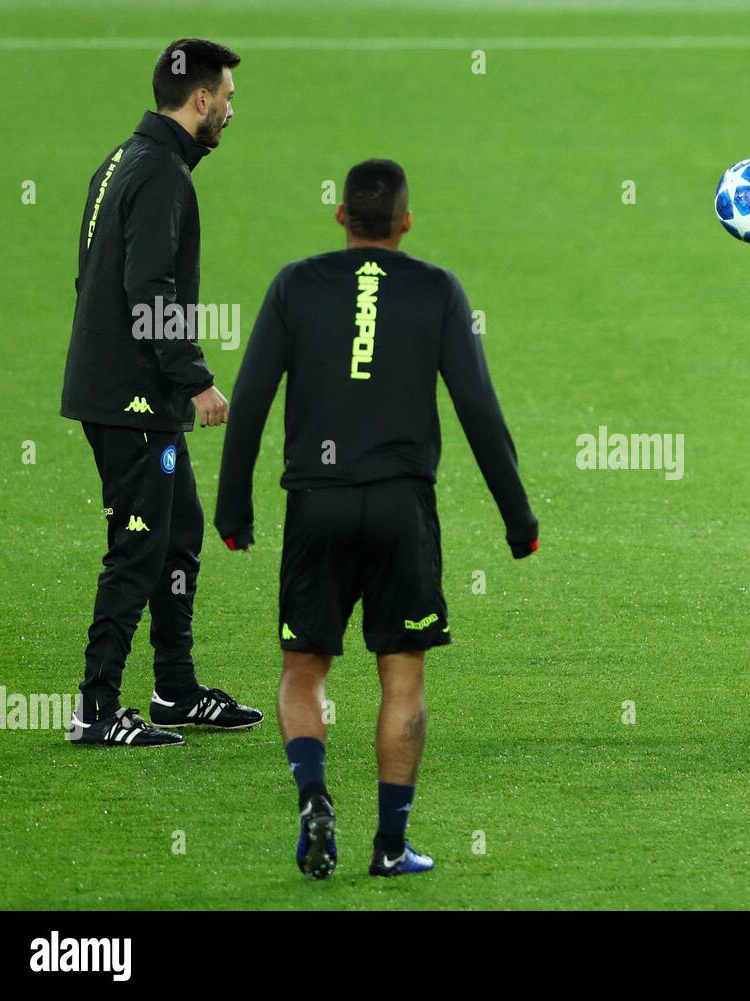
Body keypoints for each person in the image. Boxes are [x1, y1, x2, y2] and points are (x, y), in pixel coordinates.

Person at [214, 159, 539, 878]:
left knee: (303, 671)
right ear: (406, 220)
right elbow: (478, 408)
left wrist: (232, 507)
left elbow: (253, 396)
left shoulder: (296, 285)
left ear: (340, 217)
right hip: (401, 508)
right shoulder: (437, 290)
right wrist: (519, 519)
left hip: (316, 504)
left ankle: (312, 795)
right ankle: (390, 844)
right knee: (403, 679)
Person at [62, 38, 262, 746]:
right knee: (139, 543)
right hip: (132, 402)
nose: (232, 111)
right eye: (228, 99)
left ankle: (174, 689)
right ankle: (95, 707)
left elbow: (91, 277)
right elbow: (149, 289)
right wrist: (195, 378)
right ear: (200, 99)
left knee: (176, 533)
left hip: (129, 395)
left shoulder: (123, 160)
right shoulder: (163, 176)